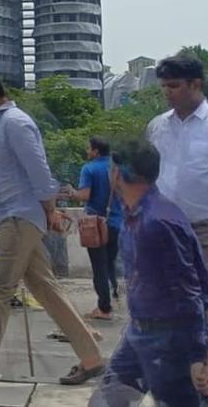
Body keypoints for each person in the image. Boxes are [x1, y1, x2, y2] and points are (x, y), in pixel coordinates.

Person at [0, 70, 104, 389]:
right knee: (46, 290)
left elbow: (40, 172)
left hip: (17, 219)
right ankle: (92, 359)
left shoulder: (15, 123)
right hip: (12, 218)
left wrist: (50, 210)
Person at [88, 140, 208, 405]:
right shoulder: (135, 214)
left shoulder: (158, 223)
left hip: (169, 340)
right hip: (140, 333)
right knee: (108, 398)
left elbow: (190, 293)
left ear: (120, 174)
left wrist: (196, 357)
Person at [146, 54, 208, 370]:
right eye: (164, 86)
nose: (167, 92)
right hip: (166, 231)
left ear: (195, 84)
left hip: (206, 229)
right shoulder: (157, 127)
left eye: (174, 85)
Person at [67, 137, 123, 321]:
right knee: (110, 263)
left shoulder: (89, 168)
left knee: (99, 266)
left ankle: (104, 308)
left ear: (96, 151)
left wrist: (72, 192)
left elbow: (85, 195)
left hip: (96, 225)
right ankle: (114, 296)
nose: (86, 151)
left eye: (88, 148)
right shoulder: (116, 168)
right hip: (117, 222)